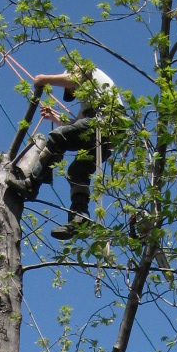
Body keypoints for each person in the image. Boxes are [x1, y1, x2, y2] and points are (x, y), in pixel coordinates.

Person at [30, 64, 118, 239]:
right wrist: (54, 117)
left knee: (57, 137)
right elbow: (75, 126)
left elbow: (74, 78)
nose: (74, 92)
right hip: (108, 133)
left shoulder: (86, 68)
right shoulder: (90, 101)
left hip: (104, 121)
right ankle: (80, 217)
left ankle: (32, 183)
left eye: (70, 89)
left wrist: (44, 79)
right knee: (76, 171)